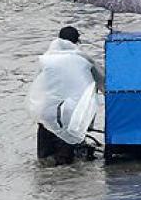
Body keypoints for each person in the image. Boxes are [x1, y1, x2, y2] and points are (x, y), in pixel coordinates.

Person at [28, 26, 104, 166]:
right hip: (70, 116)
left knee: (44, 163)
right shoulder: (84, 60)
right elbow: (104, 84)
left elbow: (39, 86)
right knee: (67, 165)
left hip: (46, 115)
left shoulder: (46, 59)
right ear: (77, 42)